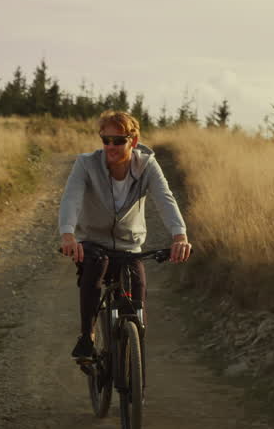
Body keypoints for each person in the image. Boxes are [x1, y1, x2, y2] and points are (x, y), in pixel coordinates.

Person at [58, 110, 191, 359]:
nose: (111, 146)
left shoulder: (147, 166)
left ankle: (133, 362)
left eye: (118, 140)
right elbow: (71, 199)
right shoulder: (86, 164)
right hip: (93, 241)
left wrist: (179, 236)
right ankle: (87, 336)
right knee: (96, 265)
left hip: (129, 246)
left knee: (137, 302)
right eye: (105, 140)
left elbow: (165, 200)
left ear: (133, 141)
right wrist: (68, 234)